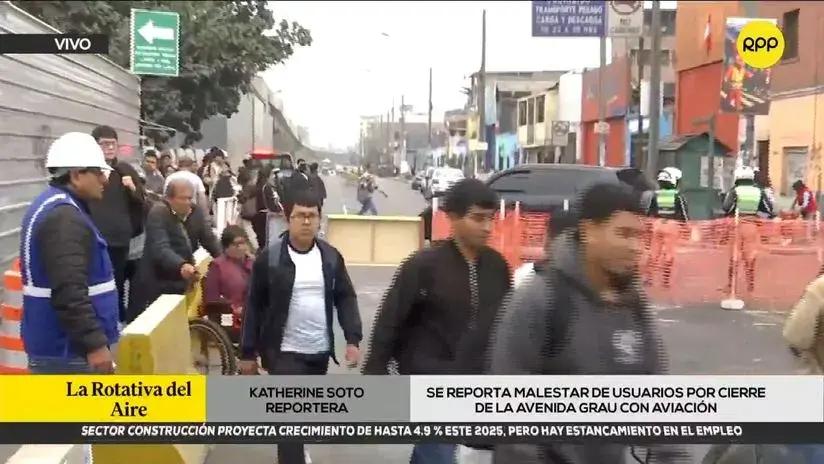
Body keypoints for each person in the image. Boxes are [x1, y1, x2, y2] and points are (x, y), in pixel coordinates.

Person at [489, 183, 684, 464]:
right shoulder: (540, 299)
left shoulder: (633, 304)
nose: (635, 247)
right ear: (589, 231)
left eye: (639, 236)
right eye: (623, 234)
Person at [363, 179, 512, 464]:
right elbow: (390, 319)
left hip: (477, 383)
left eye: (490, 219)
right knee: (440, 455)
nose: (487, 227)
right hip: (429, 382)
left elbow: (508, 323)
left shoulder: (497, 267)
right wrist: (376, 373)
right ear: (453, 217)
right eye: (477, 218)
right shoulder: (423, 265)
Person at [239, 189, 362, 464]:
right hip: (283, 353)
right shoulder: (269, 259)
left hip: (318, 352)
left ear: (320, 219)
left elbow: (346, 296)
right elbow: (254, 305)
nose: (306, 222)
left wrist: (353, 339)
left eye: (312, 216)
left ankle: (296, 446)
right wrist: (247, 352)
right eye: (300, 216)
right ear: (288, 218)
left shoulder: (330, 257)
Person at [20, 132, 119, 374]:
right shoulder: (64, 218)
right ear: (76, 175)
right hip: (67, 353)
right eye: (98, 173)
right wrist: (94, 344)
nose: (104, 180)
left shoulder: (58, 207)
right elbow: (69, 290)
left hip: (62, 349)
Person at [128, 179, 221, 321]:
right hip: (158, 281)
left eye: (190, 198)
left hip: (183, 282)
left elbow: (209, 239)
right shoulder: (159, 213)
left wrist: (223, 259)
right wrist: (181, 265)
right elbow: (160, 248)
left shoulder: (196, 212)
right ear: (169, 198)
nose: (188, 202)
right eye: (183, 198)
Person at [87, 125, 146, 324]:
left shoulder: (124, 171)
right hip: (93, 239)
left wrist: (132, 187)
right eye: (104, 144)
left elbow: (141, 201)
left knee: (116, 286)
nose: (110, 148)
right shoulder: (88, 172)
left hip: (119, 240)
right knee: (94, 285)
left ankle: (117, 325)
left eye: (113, 144)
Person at [722, 166, 775, 295]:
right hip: (752, 225)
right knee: (750, 256)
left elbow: (726, 207)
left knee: (734, 255)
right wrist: (757, 216)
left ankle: (731, 284)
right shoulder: (759, 191)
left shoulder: (735, 191)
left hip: (737, 224)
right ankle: (750, 285)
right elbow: (768, 209)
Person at [204, 225, 253, 340]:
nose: (241, 247)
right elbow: (212, 300)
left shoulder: (251, 263)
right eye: (236, 244)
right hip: (230, 319)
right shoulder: (217, 266)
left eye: (243, 243)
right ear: (226, 247)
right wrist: (234, 308)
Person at [644, 167, 689, 289]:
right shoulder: (678, 196)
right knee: (669, 253)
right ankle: (665, 279)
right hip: (672, 226)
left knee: (654, 252)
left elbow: (649, 213)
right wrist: (686, 227)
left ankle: (648, 278)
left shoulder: (655, 195)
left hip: (657, 224)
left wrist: (648, 227)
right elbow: (684, 213)